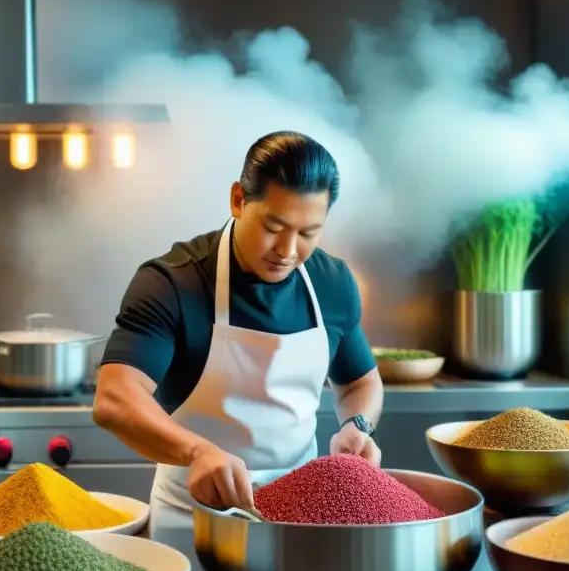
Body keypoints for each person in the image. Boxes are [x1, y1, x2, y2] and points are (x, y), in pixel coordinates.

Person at [93, 130, 383, 537]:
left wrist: (356, 425)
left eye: (307, 233)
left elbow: (360, 381)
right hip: (191, 518)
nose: (286, 249)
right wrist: (196, 451)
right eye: (273, 226)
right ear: (237, 200)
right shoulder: (173, 282)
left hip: (303, 518)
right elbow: (114, 398)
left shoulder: (333, 284)